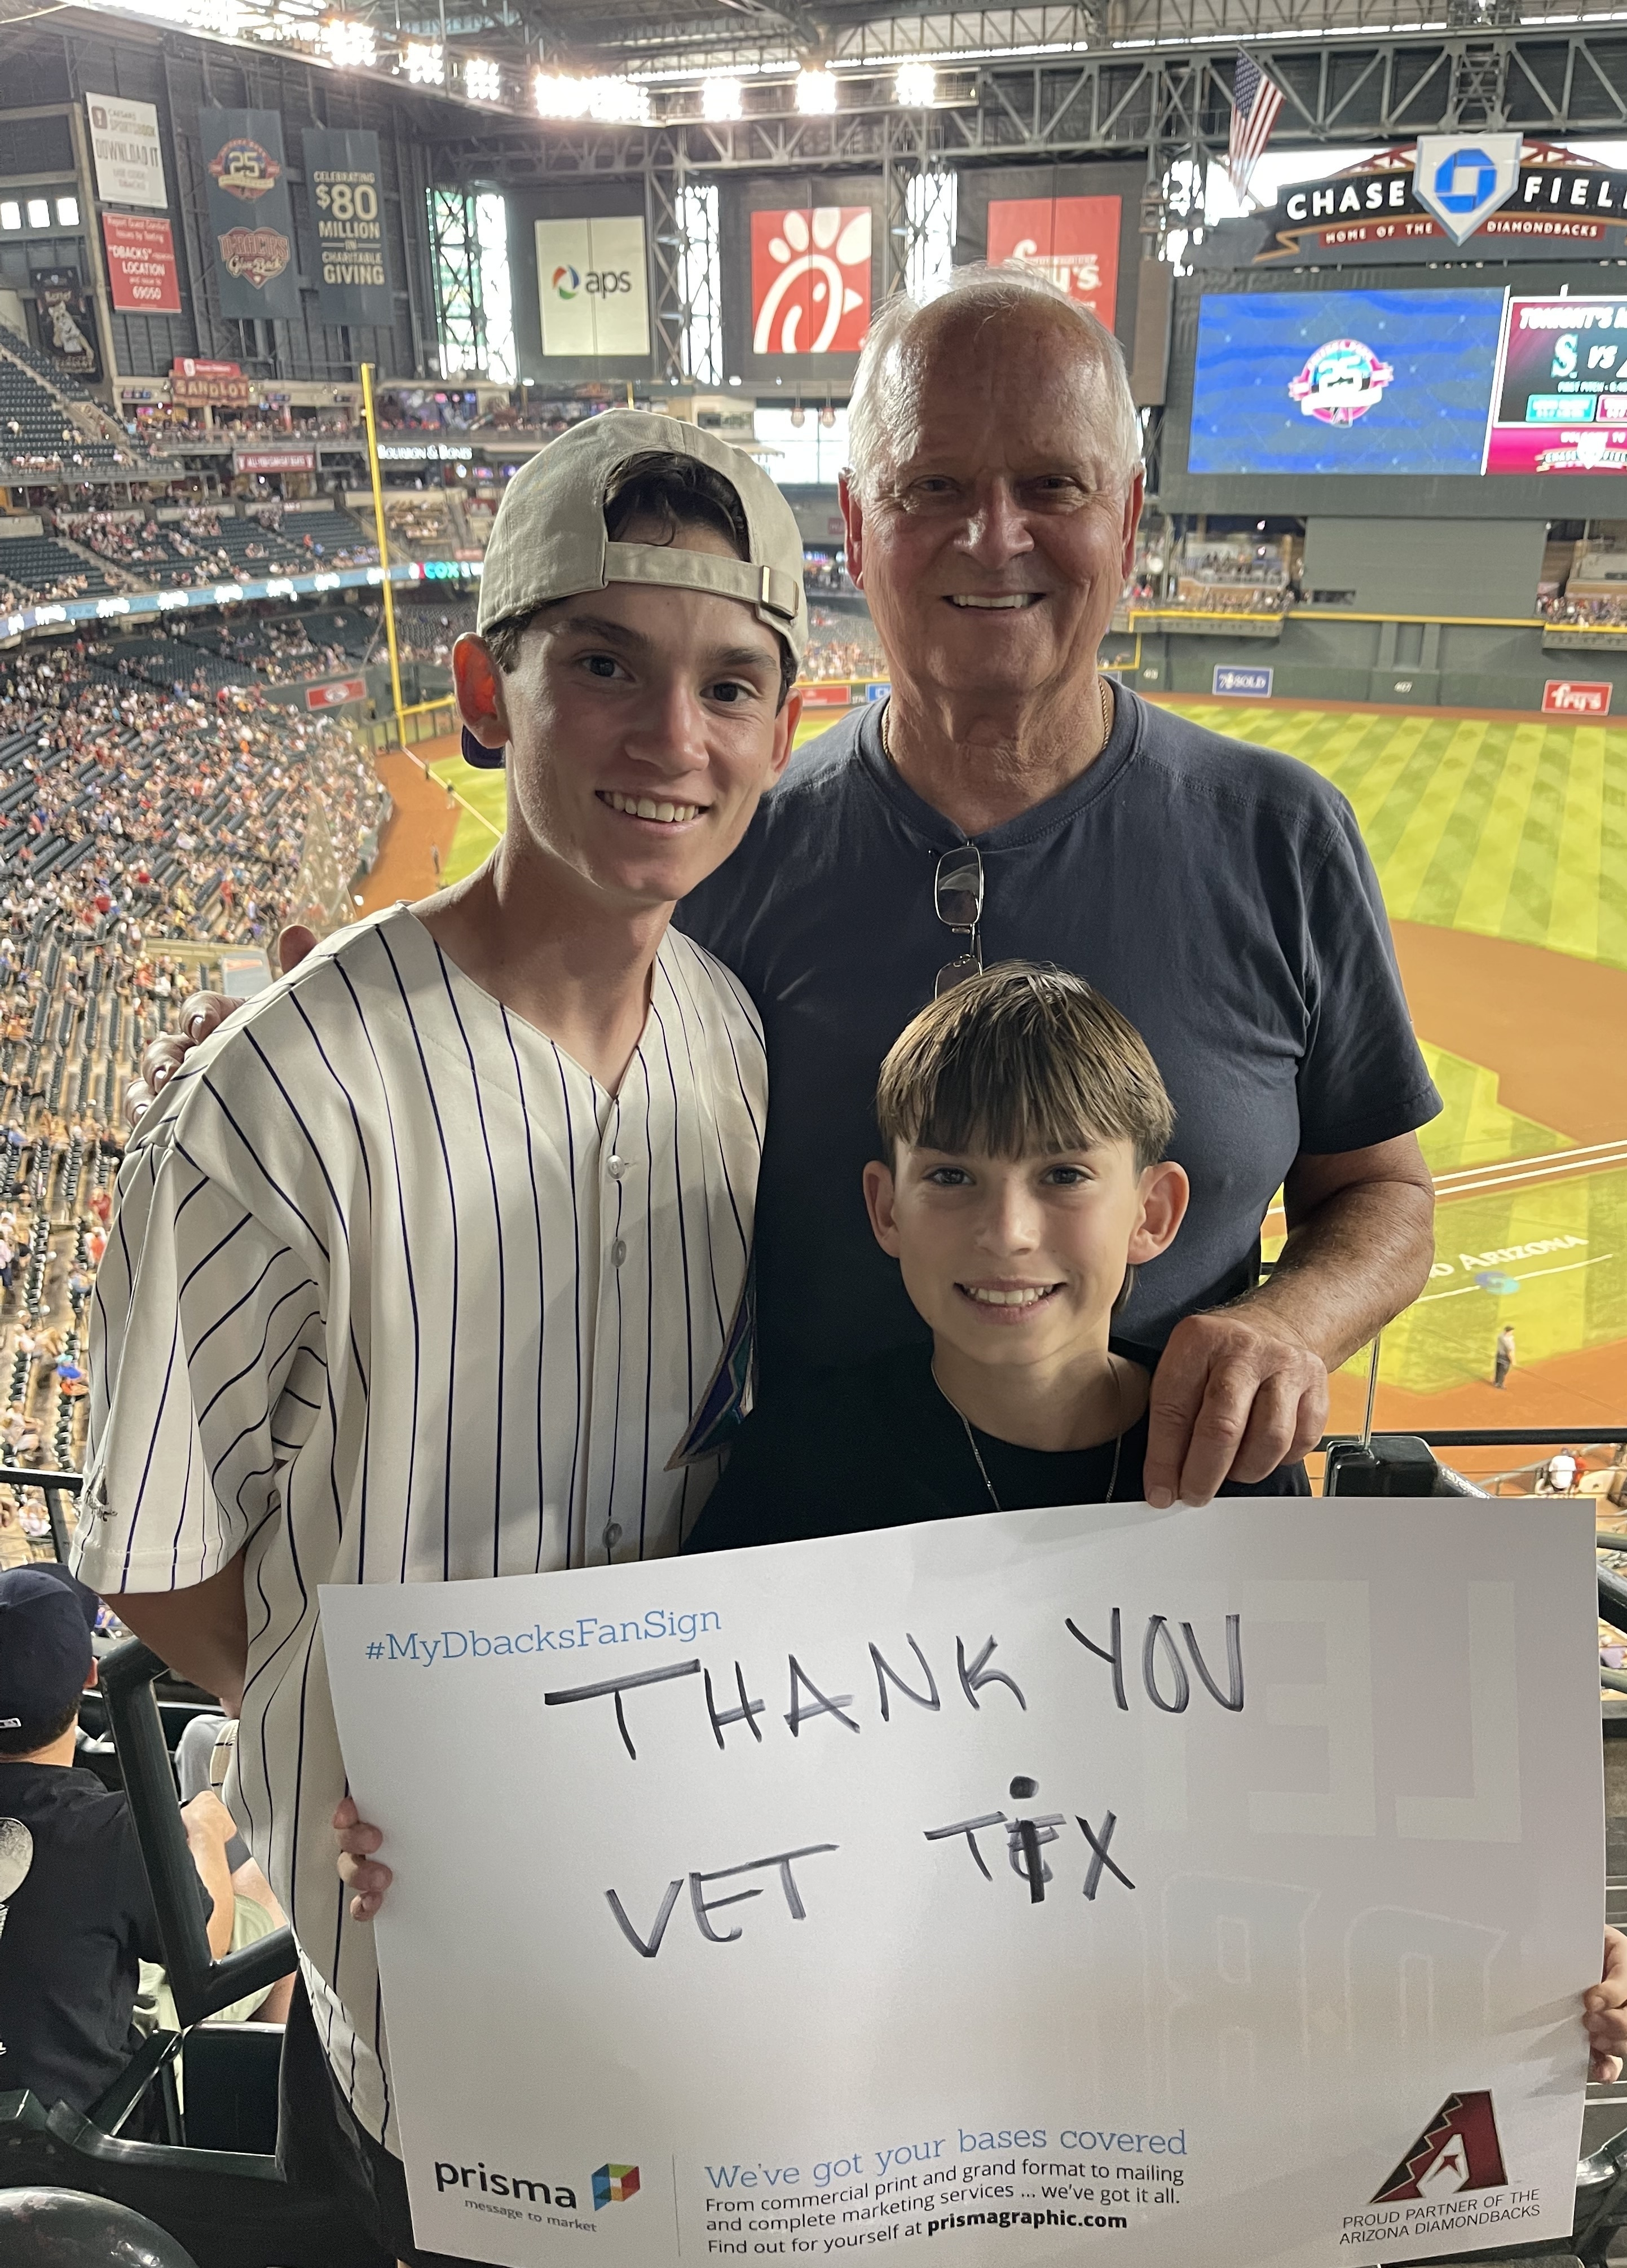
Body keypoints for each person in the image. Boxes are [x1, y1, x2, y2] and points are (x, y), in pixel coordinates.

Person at [136, 268, 1441, 1510]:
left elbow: (1382, 1191)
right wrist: (302, 1046)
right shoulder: (715, 850)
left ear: (1130, 519)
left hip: (1180, 1582)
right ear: (860, 526)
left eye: (1053, 483)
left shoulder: (1285, 834)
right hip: (814, 1601)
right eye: (936, 484)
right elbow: (530, 1045)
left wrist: (1289, 1320)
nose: (996, 536)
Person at [72, 414, 808, 2266]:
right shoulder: (275, 1102)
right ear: (485, 692)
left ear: (782, 733)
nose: (675, 737)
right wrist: (353, 1745)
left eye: (730, 683)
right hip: (425, 1944)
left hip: (692, 1898)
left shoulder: (729, 1037)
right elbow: (158, 1561)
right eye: (604, 668)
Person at [685, 963, 1300, 1548]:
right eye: (952, 1177)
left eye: (1064, 1175)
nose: (1008, 1233)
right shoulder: (799, 1461)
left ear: (1153, 1213)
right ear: (888, 1209)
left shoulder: (1232, 1453)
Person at [0, 1562, 240, 2118]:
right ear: (91, 1676)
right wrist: (202, 1830)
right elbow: (207, 1948)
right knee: (269, 1902)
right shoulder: (115, 1828)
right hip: (82, 2143)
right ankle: (257, 2131)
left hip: (27, 2138)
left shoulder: (115, 1827)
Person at [1494, 1322, 1516, 1389]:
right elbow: (1510, 1352)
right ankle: (1500, 1384)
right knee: (1503, 1370)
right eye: (1511, 1332)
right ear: (1508, 1332)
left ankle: (1497, 1382)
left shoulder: (1501, 1336)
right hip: (1505, 1357)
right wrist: (1513, 1361)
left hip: (1499, 1355)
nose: (1512, 1333)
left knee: (1498, 1369)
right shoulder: (1507, 1341)